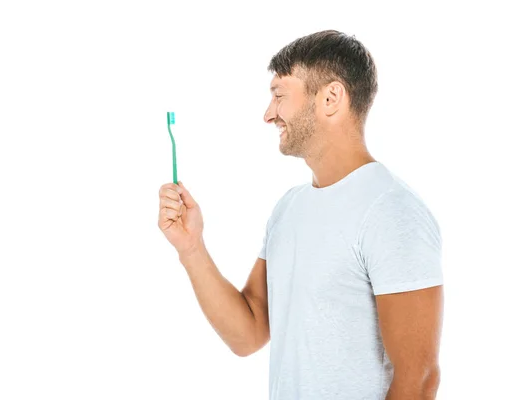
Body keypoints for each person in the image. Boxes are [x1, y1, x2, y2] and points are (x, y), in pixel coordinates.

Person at [157, 30, 443, 400]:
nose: (268, 114)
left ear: (330, 98)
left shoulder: (391, 211)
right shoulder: (288, 208)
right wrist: (191, 248)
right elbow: (249, 333)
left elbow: (419, 380)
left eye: (279, 96)